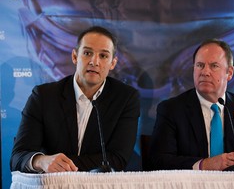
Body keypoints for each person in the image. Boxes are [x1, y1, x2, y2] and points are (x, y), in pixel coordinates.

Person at [10, 26, 140, 173]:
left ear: (112, 63)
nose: (94, 61)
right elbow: (18, 157)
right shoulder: (43, 96)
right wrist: (42, 161)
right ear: (74, 56)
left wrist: (63, 166)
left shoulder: (125, 98)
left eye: (103, 56)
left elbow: (118, 159)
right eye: (87, 53)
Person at [149, 39, 234, 171]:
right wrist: (204, 165)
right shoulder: (172, 109)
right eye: (200, 65)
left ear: (229, 73)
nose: (205, 72)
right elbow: (157, 161)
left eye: (214, 66)